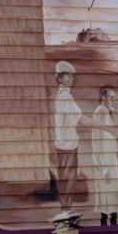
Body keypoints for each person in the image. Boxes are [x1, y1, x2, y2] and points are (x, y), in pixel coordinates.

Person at [87, 86, 118, 226]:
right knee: (106, 202)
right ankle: (106, 229)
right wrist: (104, 169)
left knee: (112, 201)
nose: (114, 101)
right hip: (104, 164)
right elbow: (96, 143)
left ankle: (113, 226)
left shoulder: (106, 113)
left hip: (110, 161)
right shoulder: (100, 113)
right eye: (111, 98)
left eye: (115, 98)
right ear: (103, 97)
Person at [51, 60, 83, 210]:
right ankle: (67, 208)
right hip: (68, 145)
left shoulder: (62, 95)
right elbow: (79, 119)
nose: (71, 78)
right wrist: (103, 125)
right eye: (68, 76)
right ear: (60, 78)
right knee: (69, 178)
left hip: (62, 143)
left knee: (64, 177)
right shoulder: (65, 97)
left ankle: (65, 207)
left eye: (71, 76)